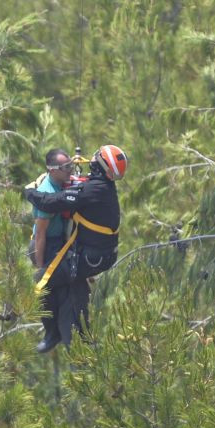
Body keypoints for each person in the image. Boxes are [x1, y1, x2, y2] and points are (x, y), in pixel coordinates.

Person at [24, 144, 127, 353]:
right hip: (97, 255)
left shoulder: (93, 190)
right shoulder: (99, 186)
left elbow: (50, 202)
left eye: (96, 159)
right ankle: (80, 343)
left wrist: (29, 192)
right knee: (74, 288)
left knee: (40, 283)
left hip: (89, 258)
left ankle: (52, 333)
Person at [28, 149, 74, 351]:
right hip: (48, 244)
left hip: (61, 242)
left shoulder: (63, 184)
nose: (70, 171)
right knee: (42, 285)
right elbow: (40, 234)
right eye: (66, 168)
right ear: (52, 170)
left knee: (61, 289)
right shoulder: (48, 194)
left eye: (71, 166)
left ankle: (68, 337)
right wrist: (40, 265)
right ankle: (51, 333)